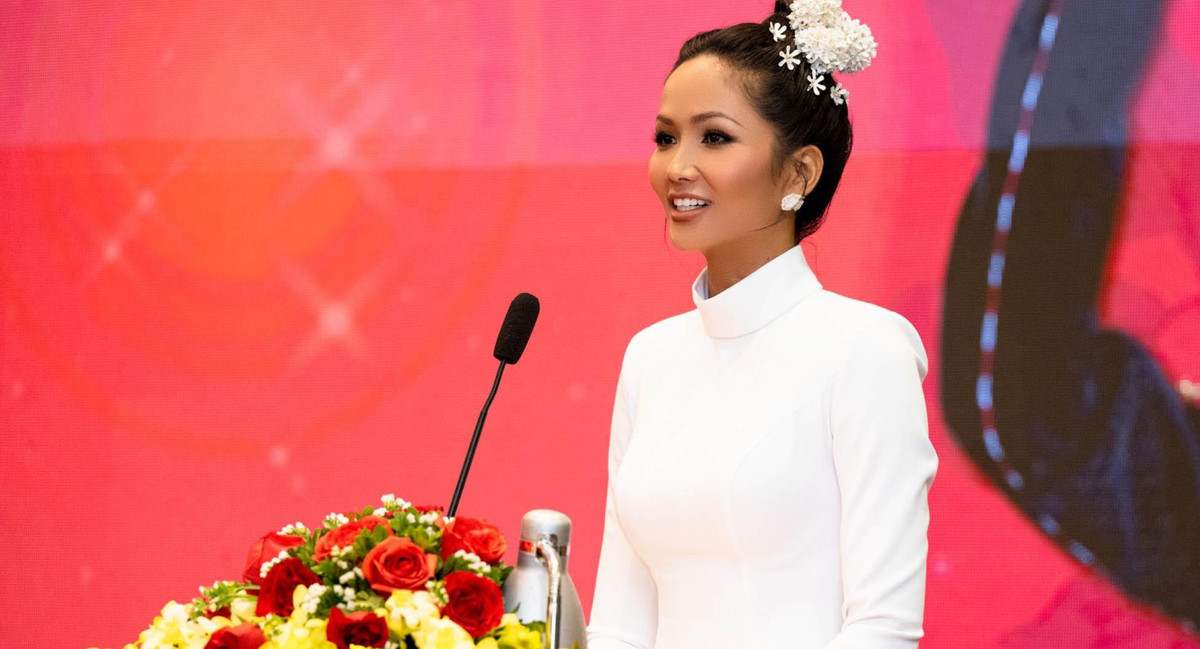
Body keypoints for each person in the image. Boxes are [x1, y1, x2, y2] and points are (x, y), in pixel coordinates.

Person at [587, 2, 939, 648]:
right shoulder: (650, 357)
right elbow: (618, 624)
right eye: (665, 138)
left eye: (714, 138)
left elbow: (882, 628)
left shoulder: (866, 349)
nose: (677, 167)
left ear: (799, 172)